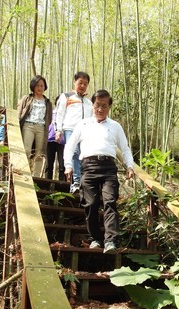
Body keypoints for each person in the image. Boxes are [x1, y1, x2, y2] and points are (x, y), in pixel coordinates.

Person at [64, 89, 135, 254]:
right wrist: (68, 165)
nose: (100, 109)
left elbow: (124, 149)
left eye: (104, 106)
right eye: (97, 105)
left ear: (109, 107)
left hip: (108, 168)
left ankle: (110, 241)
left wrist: (129, 166)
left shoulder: (115, 126)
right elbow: (70, 146)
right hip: (88, 167)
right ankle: (95, 238)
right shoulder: (83, 124)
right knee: (91, 204)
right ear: (92, 105)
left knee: (110, 202)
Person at [55, 71, 93, 193]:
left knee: (83, 156)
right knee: (75, 153)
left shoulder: (89, 102)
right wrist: (58, 130)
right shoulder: (66, 96)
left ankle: (82, 182)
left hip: (85, 131)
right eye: (80, 82)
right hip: (70, 129)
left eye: (85, 84)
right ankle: (76, 183)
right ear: (74, 82)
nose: (82, 86)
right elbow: (59, 114)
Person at [17, 75, 53, 177]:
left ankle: (36, 176)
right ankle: (24, 173)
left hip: (41, 128)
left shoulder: (48, 102)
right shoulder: (27, 98)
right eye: (37, 85)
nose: (39, 88)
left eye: (42, 85)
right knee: (26, 149)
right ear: (33, 86)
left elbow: (49, 118)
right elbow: (19, 112)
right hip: (28, 125)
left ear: (45, 87)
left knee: (39, 153)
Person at [45, 96, 65, 180]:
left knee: (62, 166)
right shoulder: (50, 113)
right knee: (49, 165)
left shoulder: (67, 114)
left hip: (62, 142)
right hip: (50, 140)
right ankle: (46, 184)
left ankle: (62, 186)